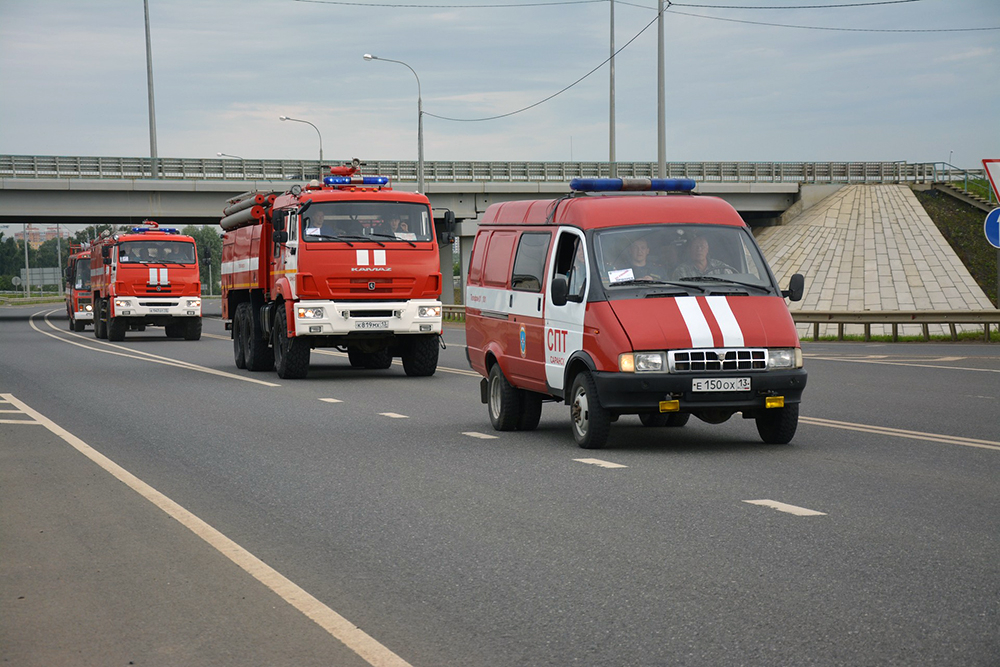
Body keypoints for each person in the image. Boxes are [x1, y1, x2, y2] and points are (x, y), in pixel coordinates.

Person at [672, 236, 737, 279]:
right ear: (690, 250)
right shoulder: (681, 271)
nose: (699, 249)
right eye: (695, 246)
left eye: (702, 246)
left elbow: (731, 285)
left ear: (707, 250)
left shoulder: (721, 268)